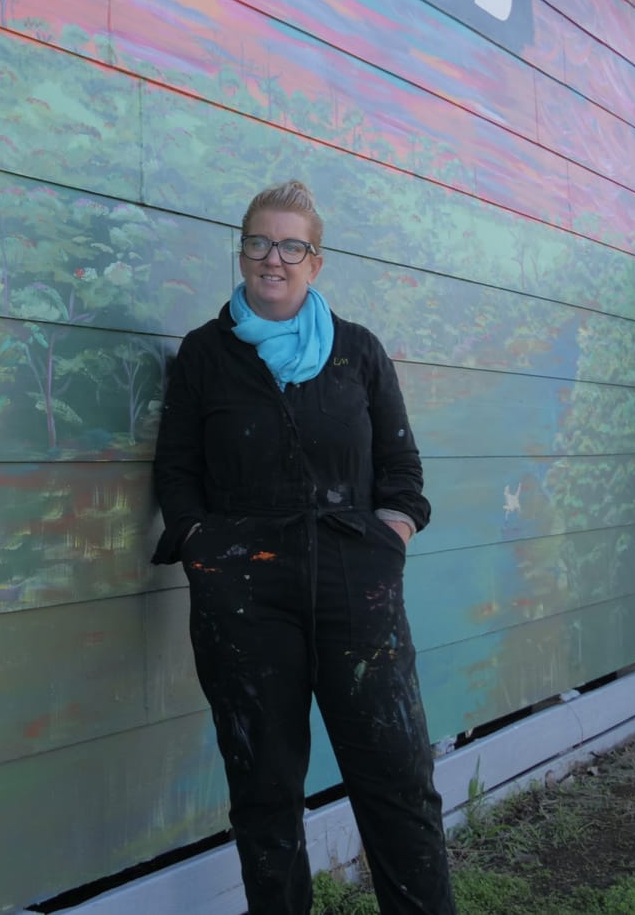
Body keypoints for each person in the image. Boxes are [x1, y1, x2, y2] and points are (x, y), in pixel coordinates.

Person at [153, 180, 454, 915]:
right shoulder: (205, 354)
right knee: (265, 788)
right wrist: (205, 551)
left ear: (316, 262)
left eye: (293, 246)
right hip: (245, 601)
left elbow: (403, 472)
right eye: (260, 242)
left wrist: (390, 536)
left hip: (358, 588)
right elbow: (177, 471)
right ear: (242, 250)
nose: (274, 259)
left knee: (397, 776)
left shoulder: (357, 352)